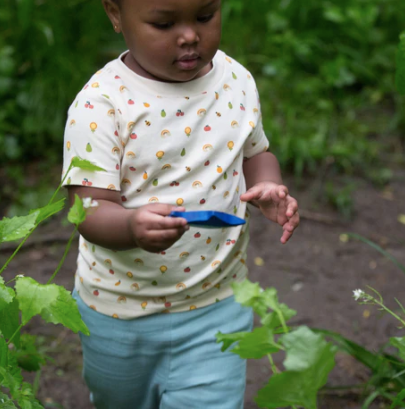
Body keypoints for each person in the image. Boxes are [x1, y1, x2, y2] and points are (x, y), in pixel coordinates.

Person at [61, 0, 300, 407]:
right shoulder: (101, 105)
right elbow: (88, 207)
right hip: (120, 313)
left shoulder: (236, 80)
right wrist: (130, 227)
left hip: (218, 302)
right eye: (164, 23)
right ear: (116, 15)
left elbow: (256, 152)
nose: (189, 35)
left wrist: (268, 185)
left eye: (205, 16)